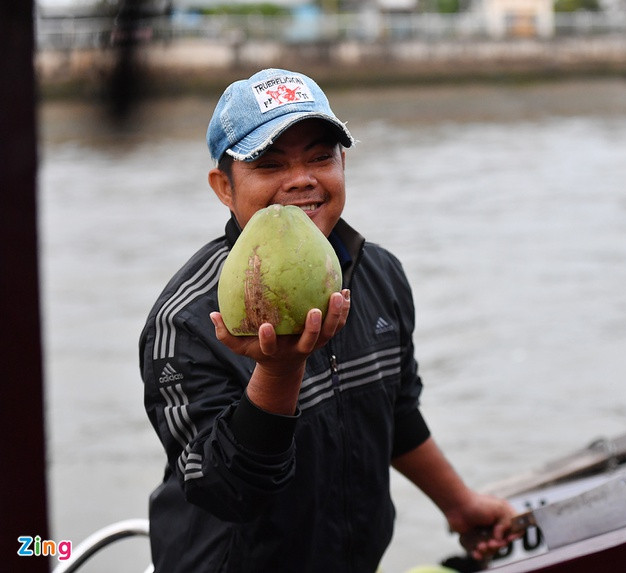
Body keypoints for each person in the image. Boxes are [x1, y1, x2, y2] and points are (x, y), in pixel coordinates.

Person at [140, 68, 516, 572]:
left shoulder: (379, 274)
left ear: (343, 164)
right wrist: (278, 372)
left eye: (321, 157)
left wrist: (459, 504)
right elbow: (224, 491)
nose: (302, 179)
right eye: (269, 164)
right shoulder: (186, 319)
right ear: (224, 188)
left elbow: (396, 413)